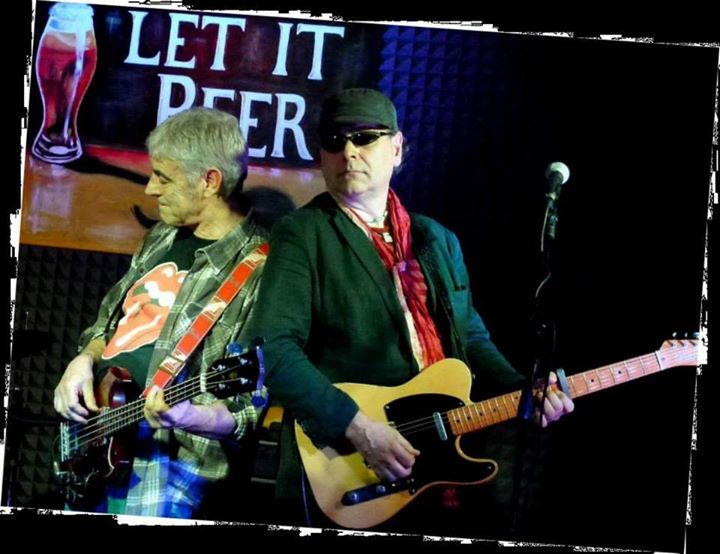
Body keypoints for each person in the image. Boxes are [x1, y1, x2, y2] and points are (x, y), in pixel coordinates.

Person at [249, 88, 575, 531]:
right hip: (347, 468)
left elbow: (469, 337)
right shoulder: (302, 233)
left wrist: (523, 389)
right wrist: (359, 428)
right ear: (321, 155)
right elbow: (273, 350)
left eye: (365, 137)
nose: (348, 151)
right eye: (334, 141)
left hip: (435, 461)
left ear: (397, 148)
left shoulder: (436, 239)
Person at [53, 107, 268, 520]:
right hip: (92, 447)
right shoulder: (162, 235)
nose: (150, 189)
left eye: (163, 177)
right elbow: (108, 323)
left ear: (209, 181)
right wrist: (83, 361)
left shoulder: (259, 269)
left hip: (165, 466)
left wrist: (188, 415)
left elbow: (247, 410)